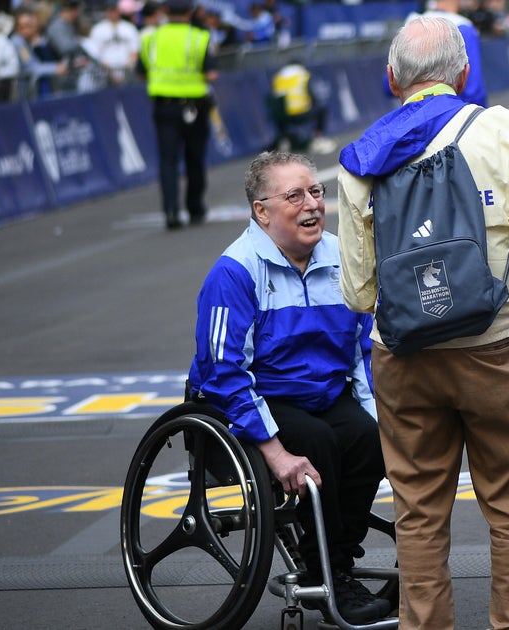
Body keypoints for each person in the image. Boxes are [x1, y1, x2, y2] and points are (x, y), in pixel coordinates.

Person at [337, 16, 509, 629]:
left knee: (417, 512)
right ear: (465, 74)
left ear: (392, 79)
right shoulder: (505, 129)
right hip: (497, 344)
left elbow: (358, 292)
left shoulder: (360, 158)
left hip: (404, 356)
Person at [187, 151, 392, 627]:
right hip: (251, 402)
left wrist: (385, 424)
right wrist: (275, 452)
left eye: (316, 192)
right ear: (262, 211)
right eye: (294, 195)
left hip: (322, 395)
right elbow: (222, 373)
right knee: (319, 443)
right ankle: (330, 572)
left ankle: (335, 562)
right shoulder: (234, 272)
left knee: (367, 439)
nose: (312, 204)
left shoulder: (344, 257)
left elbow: (365, 355)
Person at [136, 0, 216, 229]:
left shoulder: (150, 38)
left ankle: (171, 212)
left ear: (164, 12)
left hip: (164, 106)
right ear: (190, 12)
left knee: (168, 161)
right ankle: (195, 208)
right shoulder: (199, 38)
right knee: (195, 158)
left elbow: (141, 73)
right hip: (194, 105)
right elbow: (211, 73)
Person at [86, 0, 141, 85]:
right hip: (104, 75)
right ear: (106, 11)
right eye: (111, 10)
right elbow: (95, 54)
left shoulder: (129, 28)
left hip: (127, 73)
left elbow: (134, 51)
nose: (113, 13)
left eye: (115, 10)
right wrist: (110, 73)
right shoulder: (98, 29)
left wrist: (127, 68)